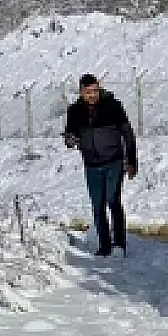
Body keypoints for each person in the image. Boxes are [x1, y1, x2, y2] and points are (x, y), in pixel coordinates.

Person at [63, 74, 137, 256]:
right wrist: (70, 139)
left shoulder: (113, 106)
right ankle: (104, 246)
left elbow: (128, 134)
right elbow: (69, 135)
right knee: (98, 206)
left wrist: (131, 160)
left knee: (113, 201)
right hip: (91, 165)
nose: (93, 95)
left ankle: (119, 244)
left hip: (114, 162)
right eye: (88, 92)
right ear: (81, 92)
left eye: (95, 91)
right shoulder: (74, 111)